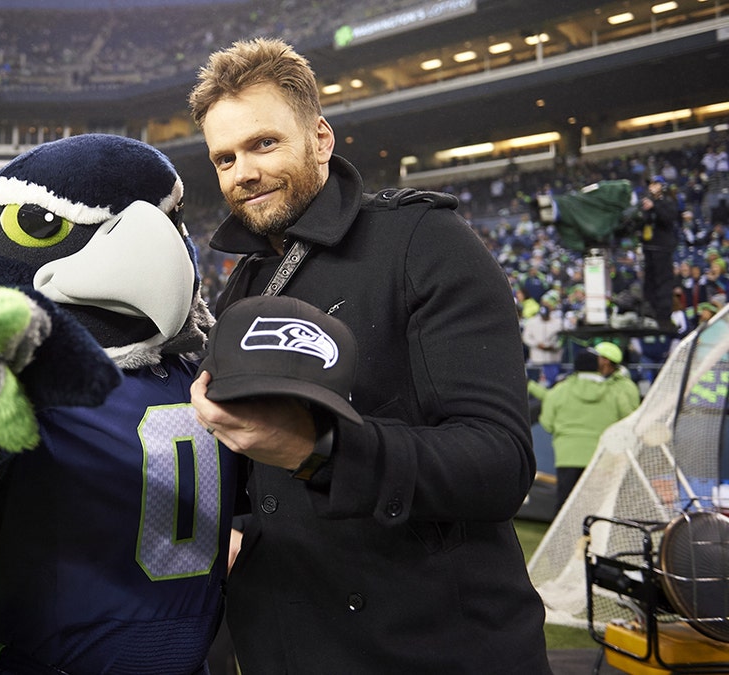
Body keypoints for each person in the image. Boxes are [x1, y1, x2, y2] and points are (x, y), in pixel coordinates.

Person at [186, 38, 550, 673]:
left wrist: (317, 449)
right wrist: (242, 519)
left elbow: (499, 464)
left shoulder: (424, 241)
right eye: (224, 158)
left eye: (264, 143)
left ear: (321, 140)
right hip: (284, 644)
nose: (241, 172)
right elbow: (254, 469)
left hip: (431, 645)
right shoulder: (243, 283)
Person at [540, 348, 639, 513]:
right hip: (602, 456)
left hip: (567, 456)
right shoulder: (614, 390)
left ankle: (566, 539)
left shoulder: (559, 390)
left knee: (566, 509)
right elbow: (628, 419)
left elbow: (547, 423)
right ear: (597, 367)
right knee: (598, 508)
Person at [639, 176, 680, 331]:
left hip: (663, 249)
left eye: (655, 184)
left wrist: (654, 206)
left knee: (663, 283)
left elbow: (669, 218)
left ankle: (663, 318)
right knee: (649, 284)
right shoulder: (646, 202)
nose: (651, 187)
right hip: (649, 249)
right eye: (650, 184)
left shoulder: (668, 201)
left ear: (662, 186)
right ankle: (650, 315)